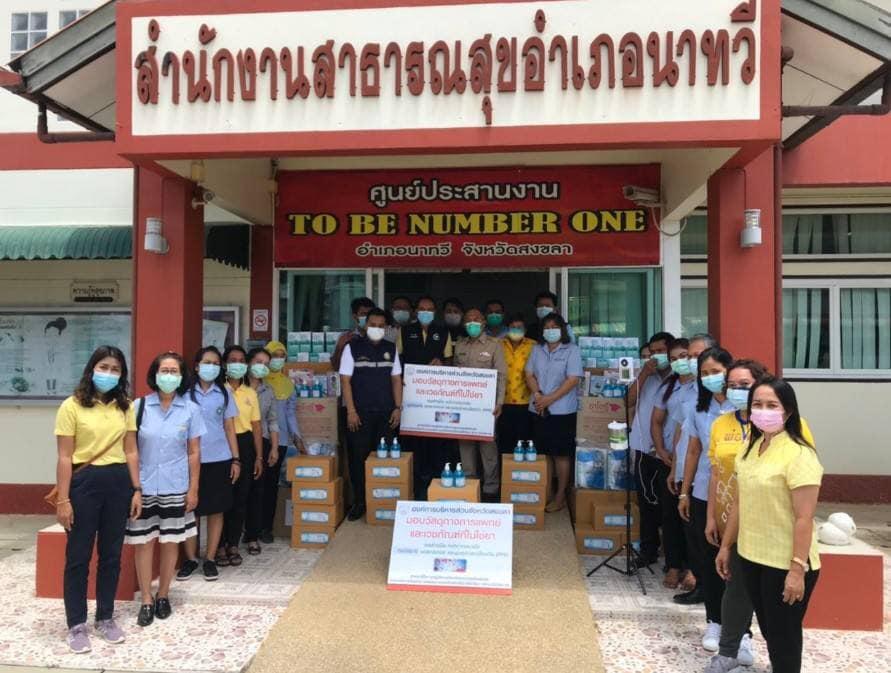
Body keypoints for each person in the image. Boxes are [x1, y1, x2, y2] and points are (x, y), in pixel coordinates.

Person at [716, 377, 822, 673]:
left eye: (772, 405)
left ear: (788, 411)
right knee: (770, 630)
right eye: (757, 405)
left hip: (785, 561)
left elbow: (804, 517)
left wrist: (797, 569)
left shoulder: (799, 454)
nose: (763, 411)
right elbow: (740, 502)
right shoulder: (750, 448)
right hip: (752, 556)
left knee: (784, 638)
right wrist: (726, 546)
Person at [703, 359, 796, 673]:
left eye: (745, 385)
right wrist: (715, 523)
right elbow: (719, 476)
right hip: (735, 524)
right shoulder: (728, 428)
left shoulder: (792, 437)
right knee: (735, 592)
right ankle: (728, 650)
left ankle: (779, 660)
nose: (737, 391)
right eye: (732, 386)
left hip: (775, 530)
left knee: (775, 604)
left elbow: (803, 493)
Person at [53, 345, 142, 653]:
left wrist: (137, 489)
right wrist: (63, 499)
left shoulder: (125, 406)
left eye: (115, 369)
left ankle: (105, 617)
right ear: (91, 369)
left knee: (111, 555)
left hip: (118, 483)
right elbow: (65, 457)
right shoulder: (72, 406)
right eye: (103, 367)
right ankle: (76, 624)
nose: (109, 373)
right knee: (78, 556)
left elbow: (131, 450)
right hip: (84, 483)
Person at [125, 351, 206, 627]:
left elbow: (194, 452)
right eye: (164, 371)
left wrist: (193, 489)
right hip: (144, 485)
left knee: (171, 542)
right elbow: (131, 449)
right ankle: (146, 599)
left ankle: (163, 595)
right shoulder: (138, 407)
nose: (169, 376)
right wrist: (135, 487)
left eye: (174, 372)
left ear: (182, 377)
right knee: (143, 543)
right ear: (155, 374)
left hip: (176, 485)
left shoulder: (191, 409)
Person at [678, 346, 735, 653]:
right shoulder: (698, 408)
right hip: (703, 492)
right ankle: (714, 620)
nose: (710, 378)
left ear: (729, 370)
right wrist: (684, 491)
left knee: (736, 563)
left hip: (739, 496)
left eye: (716, 372)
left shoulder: (745, 407)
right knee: (709, 558)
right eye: (705, 373)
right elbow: (693, 451)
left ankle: (740, 630)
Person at [179, 346, 240, 582]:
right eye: (207, 362)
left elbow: (229, 427)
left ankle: (211, 559)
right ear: (196, 366)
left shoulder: (224, 392)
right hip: (190, 460)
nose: (211, 367)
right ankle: (191, 559)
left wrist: (236, 459)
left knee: (216, 510)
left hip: (219, 458)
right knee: (190, 510)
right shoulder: (184, 393)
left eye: (216, 364)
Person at [340, 308, 403, 520]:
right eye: (373, 325)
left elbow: (396, 379)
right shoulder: (352, 347)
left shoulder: (390, 348)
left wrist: (398, 407)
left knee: (385, 459)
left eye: (381, 326)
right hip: (359, 414)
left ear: (386, 328)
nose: (376, 329)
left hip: (386, 414)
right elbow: (345, 380)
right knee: (358, 459)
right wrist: (351, 411)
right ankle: (360, 502)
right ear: (366, 325)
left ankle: (383, 504)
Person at [668, 332, 717, 605]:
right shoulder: (689, 392)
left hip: (720, 480)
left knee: (713, 538)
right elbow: (685, 438)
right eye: (691, 356)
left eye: (698, 355)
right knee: (695, 535)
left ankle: (713, 590)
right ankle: (702, 585)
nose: (693, 361)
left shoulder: (727, 396)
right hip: (693, 475)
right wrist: (677, 474)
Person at [524, 314, 583, 511]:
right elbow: (529, 374)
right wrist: (538, 395)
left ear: (562, 329)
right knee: (544, 454)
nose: (550, 330)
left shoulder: (572, 350)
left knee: (561, 455)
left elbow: (573, 379)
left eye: (554, 326)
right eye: (546, 327)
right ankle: (547, 492)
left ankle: (560, 496)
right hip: (538, 408)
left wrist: (549, 399)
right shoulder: (536, 349)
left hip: (562, 411)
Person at [627, 331, 675, 567]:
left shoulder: (678, 379)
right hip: (643, 447)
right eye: (652, 352)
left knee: (669, 506)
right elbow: (628, 400)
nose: (656, 356)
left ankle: (673, 558)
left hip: (668, 452)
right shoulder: (647, 376)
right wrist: (644, 374)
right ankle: (648, 551)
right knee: (646, 503)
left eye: (661, 351)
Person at [650, 338, 694, 590]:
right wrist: (661, 450)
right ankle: (674, 565)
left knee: (692, 517)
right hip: (670, 460)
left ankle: (693, 567)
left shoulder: (703, 387)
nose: (679, 362)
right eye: (674, 359)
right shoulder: (669, 386)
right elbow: (658, 421)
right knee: (670, 516)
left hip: (697, 463)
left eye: (684, 356)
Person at [400, 296, 454, 498]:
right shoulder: (405, 331)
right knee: (415, 442)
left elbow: (450, 362)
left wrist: (442, 364)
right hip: (411, 397)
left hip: (436, 397)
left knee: (436, 442)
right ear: (416, 311)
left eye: (429, 309)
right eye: (422, 309)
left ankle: (436, 485)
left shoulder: (443, 332)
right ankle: (417, 487)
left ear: (435, 312)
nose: (425, 312)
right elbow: (397, 362)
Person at [454, 307, 506, 501]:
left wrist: (499, 402)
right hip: (464, 406)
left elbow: (502, 376)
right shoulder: (460, 344)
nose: (472, 323)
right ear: (464, 324)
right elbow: (453, 375)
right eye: (468, 319)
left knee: (488, 449)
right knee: (465, 447)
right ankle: (470, 487)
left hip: (487, 407)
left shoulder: (495, 345)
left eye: (476, 319)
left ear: (484, 322)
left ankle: (490, 489)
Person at [221, 345, 264, 566]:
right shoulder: (219, 390)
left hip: (245, 444)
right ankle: (219, 545)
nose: (237, 364)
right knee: (222, 498)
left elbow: (256, 427)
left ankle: (233, 544)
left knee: (241, 497)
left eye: (241, 360)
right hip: (222, 445)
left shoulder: (250, 393)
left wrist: (259, 457)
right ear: (225, 364)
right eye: (232, 360)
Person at [260, 341, 304, 543]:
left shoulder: (288, 384)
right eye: (274, 355)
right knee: (255, 485)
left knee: (271, 485)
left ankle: (266, 528)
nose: (278, 360)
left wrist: (297, 437)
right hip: (259, 439)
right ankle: (249, 528)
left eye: (281, 356)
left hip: (282, 440)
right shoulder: (258, 381)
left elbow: (290, 414)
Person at [244, 347, 279, 554]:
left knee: (258, 491)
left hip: (262, 443)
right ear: (249, 363)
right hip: (239, 442)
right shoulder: (235, 388)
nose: (262, 367)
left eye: (266, 364)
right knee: (240, 491)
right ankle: (230, 538)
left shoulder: (268, 391)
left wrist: (274, 448)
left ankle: (252, 536)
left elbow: (272, 421)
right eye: (258, 362)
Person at [497, 313, 536, 456]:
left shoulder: (534, 346)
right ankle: (506, 470)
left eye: (519, 327)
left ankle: (522, 469)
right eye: (512, 327)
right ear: (507, 329)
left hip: (526, 402)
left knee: (524, 441)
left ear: (525, 329)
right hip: (502, 402)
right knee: (505, 443)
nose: (516, 330)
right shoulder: (498, 344)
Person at [332, 296, 376, 370]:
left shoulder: (380, 336)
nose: (368, 317)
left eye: (370, 314)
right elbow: (335, 366)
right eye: (363, 314)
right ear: (355, 316)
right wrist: (340, 347)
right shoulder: (344, 337)